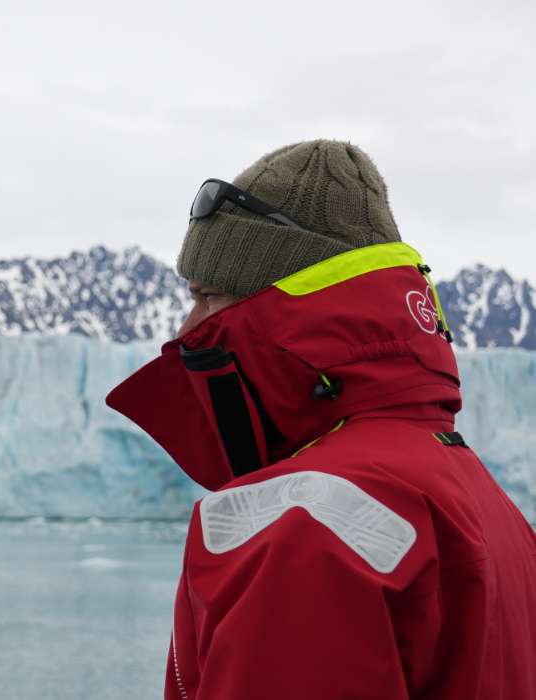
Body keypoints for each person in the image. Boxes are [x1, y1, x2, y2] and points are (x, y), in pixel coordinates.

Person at [106, 140, 536, 699]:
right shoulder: (487, 503)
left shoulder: (304, 521)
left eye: (209, 296)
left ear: (285, 307)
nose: (187, 330)